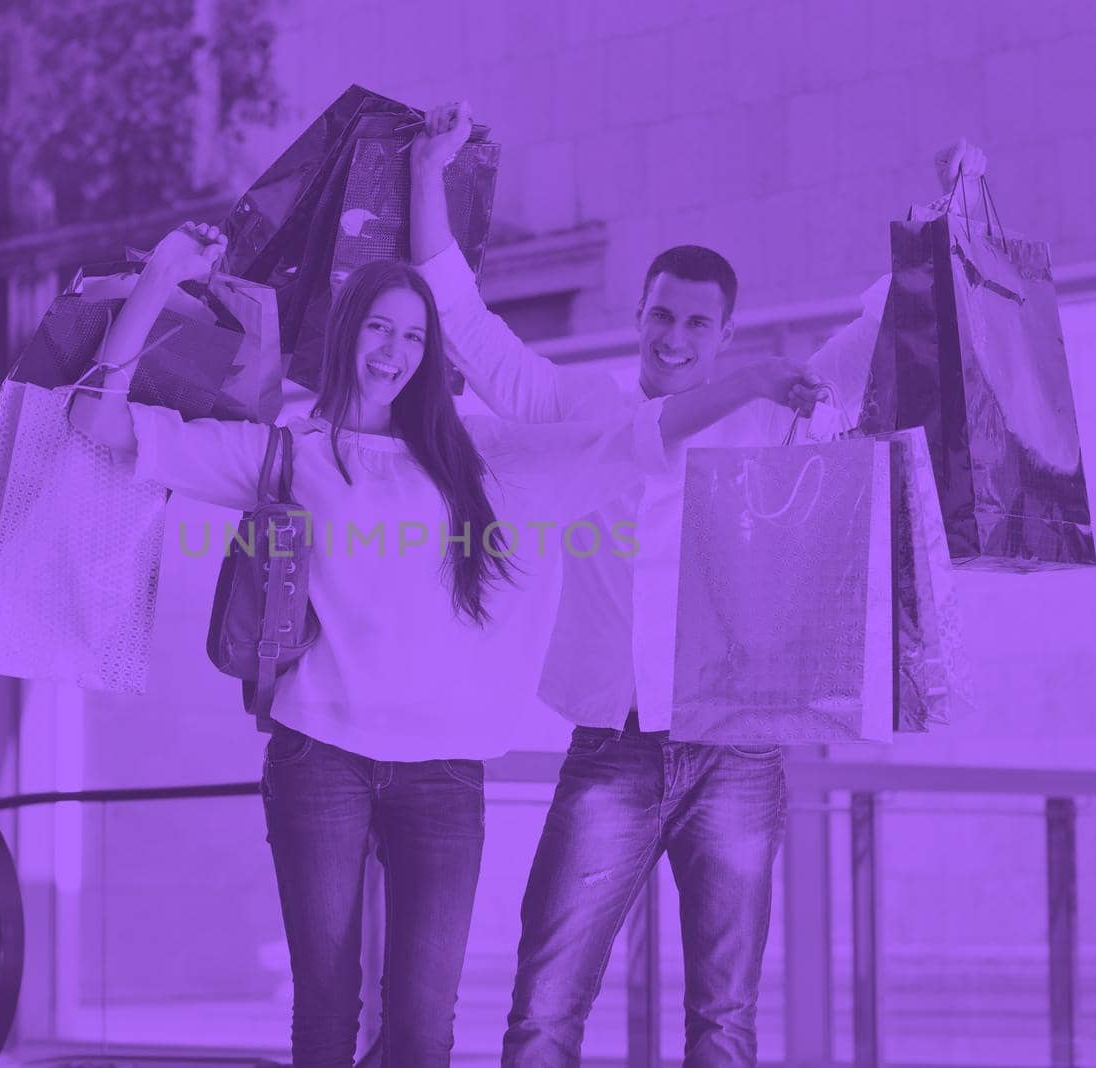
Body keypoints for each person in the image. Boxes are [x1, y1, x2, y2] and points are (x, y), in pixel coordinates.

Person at [68, 221, 821, 1066]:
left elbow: (641, 439)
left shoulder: (485, 458)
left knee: (424, 1031)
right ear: (348, 332)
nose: (394, 352)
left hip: (443, 778)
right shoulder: (288, 450)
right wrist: (162, 274)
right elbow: (99, 421)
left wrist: (754, 378)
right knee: (325, 1010)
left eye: (416, 337)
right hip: (317, 756)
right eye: (379, 329)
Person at [408, 103, 986, 1067]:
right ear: (638, 317)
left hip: (739, 754)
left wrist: (947, 215)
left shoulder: (773, 414)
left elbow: (880, 329)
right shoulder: (583, 407)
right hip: (614, 751)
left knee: (724, 1018)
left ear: (724, 333)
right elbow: (464, 327)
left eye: (696, 323)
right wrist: (429, 172)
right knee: (546, 1004)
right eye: (661, 316)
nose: (675, 337)